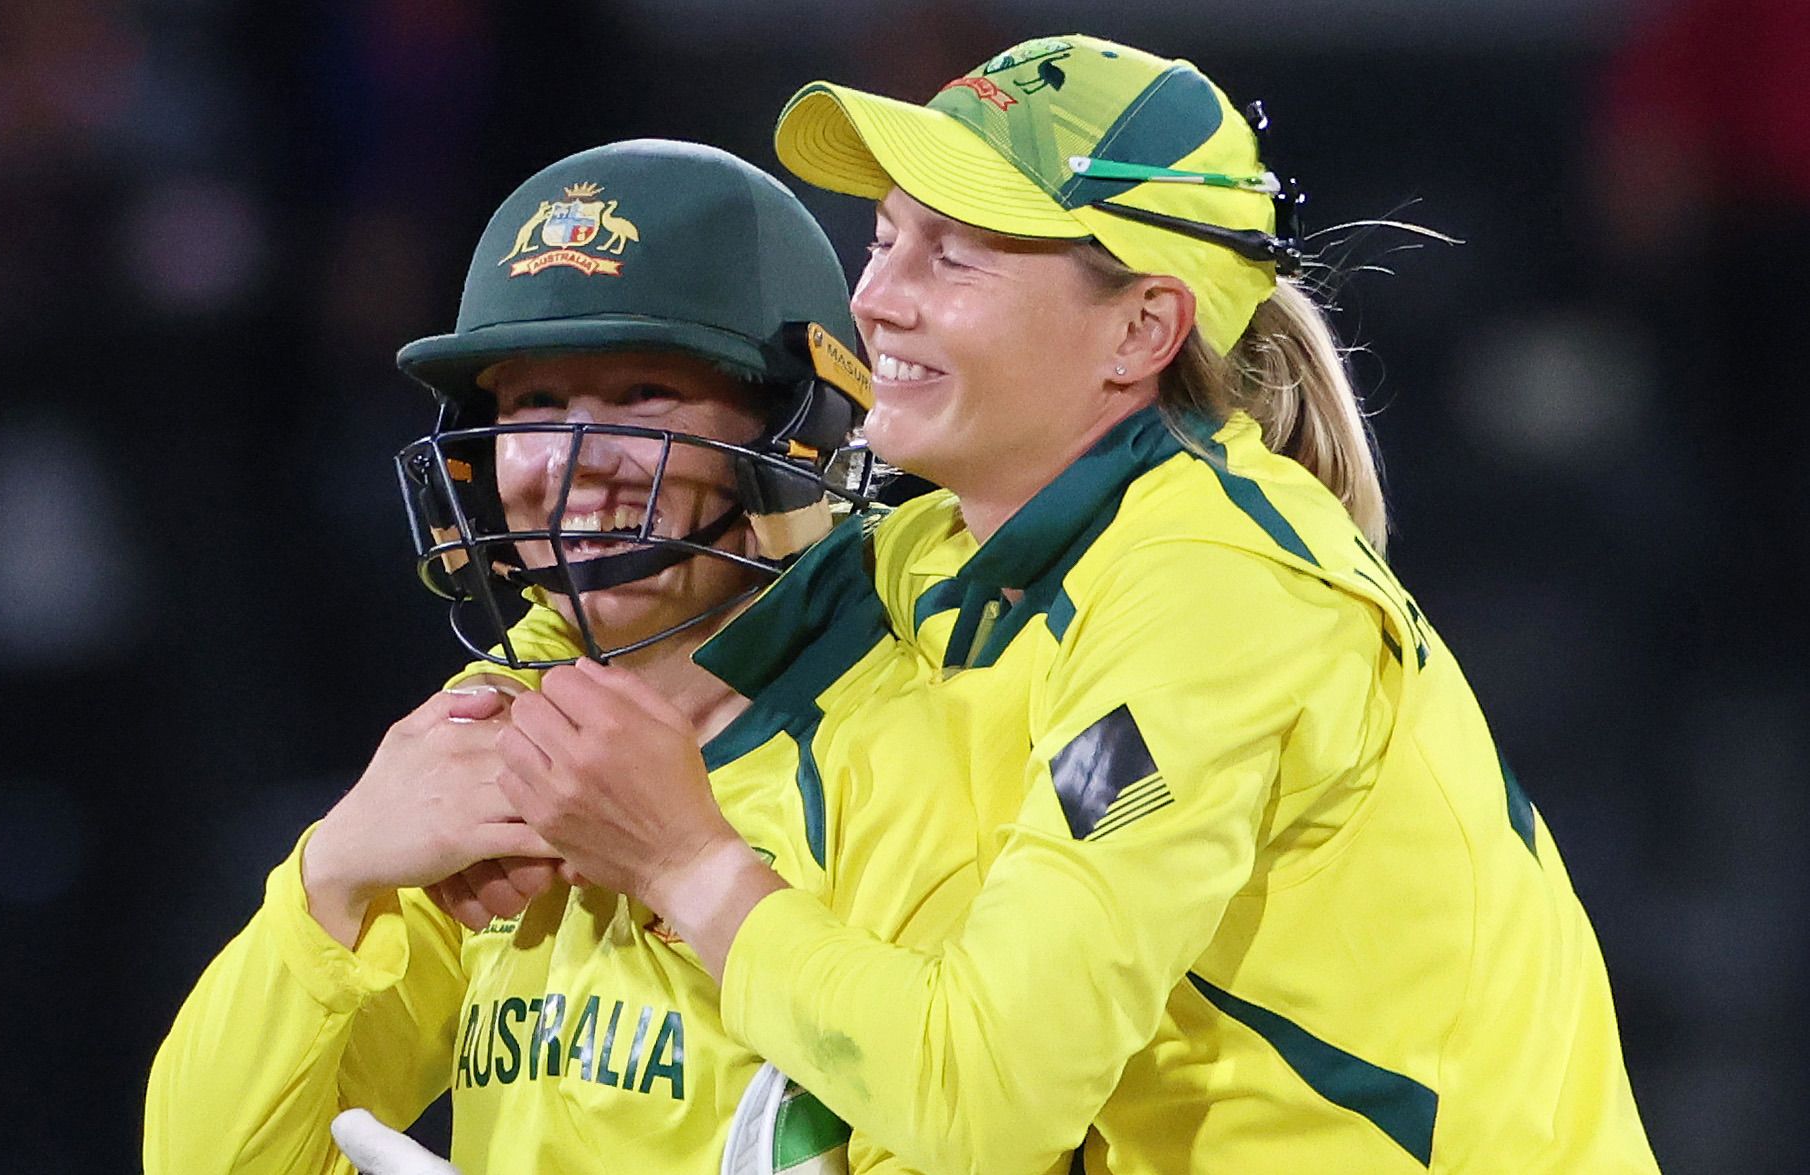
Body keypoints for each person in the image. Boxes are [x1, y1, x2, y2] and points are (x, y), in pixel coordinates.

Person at [493, 36, 1661, 1173]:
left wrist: (687, 863)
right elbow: (675, 615)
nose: (877, 301)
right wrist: (452, 773)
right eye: (887, 237)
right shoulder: (949, 549)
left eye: (953, 257)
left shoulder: (1213, 598)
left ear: (1141, 329)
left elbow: (985, 1100)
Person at [144, 138, 990, 1175]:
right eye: (533, 406)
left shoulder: (923, 732)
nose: (571, 466)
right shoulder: (485, 735)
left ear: (800, 428)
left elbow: (979, 1122)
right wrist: (330, 878)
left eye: (641, 394)